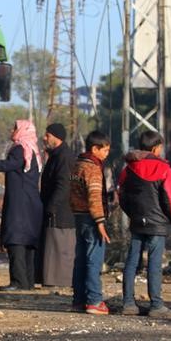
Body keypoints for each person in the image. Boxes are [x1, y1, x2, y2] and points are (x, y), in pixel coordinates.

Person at [119, 130, 171, 318]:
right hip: (158, 223)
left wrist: (132, 214)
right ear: (156, 148)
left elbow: (121, 195)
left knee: (131, 262)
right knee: (154, 264)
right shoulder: (164, 169)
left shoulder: (128, 169)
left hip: (137, 221)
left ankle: (128, 304)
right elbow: (170, 198)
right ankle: (156, 305)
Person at [0, 119, 43, 290]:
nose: (12, 130)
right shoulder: (32, 150)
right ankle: (27, 282)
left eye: (15, 128)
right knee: (27, 244)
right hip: (30, 202)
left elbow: (8, 165)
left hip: (20, 205)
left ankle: (18, 282)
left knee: (16, 241)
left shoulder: (20, 150)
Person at [70, 130, 111, 315]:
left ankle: (78, 300)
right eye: (105, 150)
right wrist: (100, 222)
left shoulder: (77, 165)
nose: (106, 154)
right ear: (95, 149)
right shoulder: (93, 168)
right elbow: (94, 197)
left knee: (80, 259)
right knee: (94, 259)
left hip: (78, 216)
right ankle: (94, 300)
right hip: (91, 218)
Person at [39, 123, 76, 287]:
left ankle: (61, 282)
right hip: (54, 209)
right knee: (53, 247)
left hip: (61, 212)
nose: (44, 138)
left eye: (48, 135)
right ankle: (52, 280)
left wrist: (52, 206)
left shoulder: (64, 157)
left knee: (61, 248)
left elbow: (63, 185)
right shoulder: (56, 155)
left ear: (57, 137)